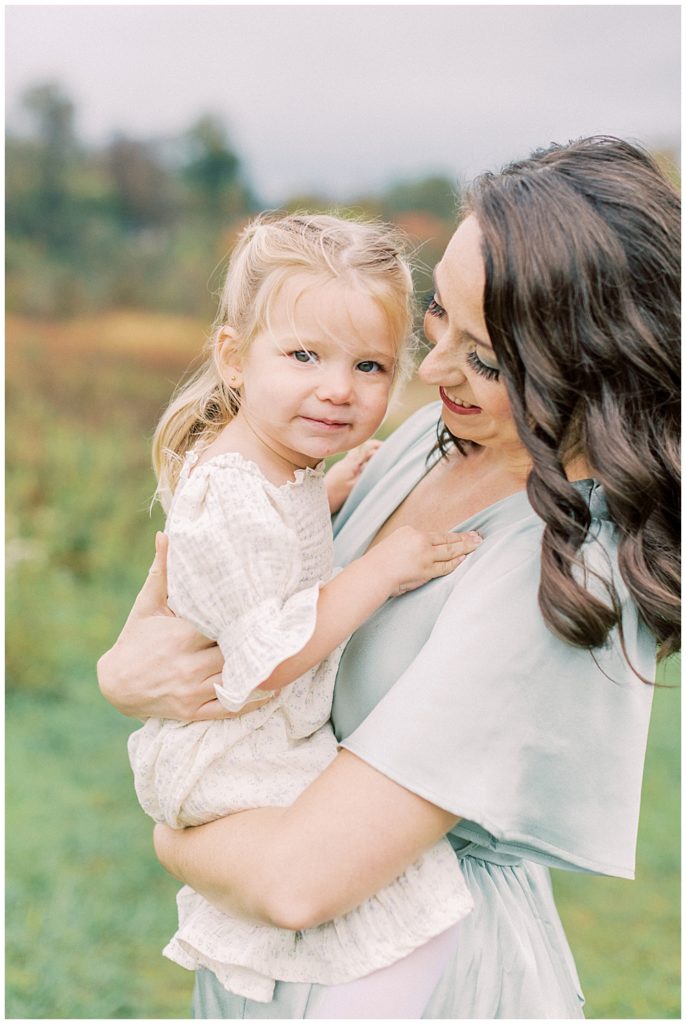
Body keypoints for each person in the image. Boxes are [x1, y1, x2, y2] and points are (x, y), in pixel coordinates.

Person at [98, 137, 680, 1019]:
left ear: (585, 363)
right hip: (294, 953)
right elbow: (224, 609)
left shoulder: (558, 565)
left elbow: (298, 882)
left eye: (486, 360)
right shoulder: (435, 440)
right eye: (437, 318)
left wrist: (173, 829)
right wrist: (125, 670)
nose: (434, 370)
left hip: (414, 970)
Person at [125, 212, 478, 1010]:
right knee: (391, 904)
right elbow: (269, 657)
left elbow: (273, 557)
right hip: (242, 749)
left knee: (375, 908)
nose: (338, 387)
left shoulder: (278, 472)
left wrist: (328, 492)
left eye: (369, 364)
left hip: (263, 740)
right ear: (233, 360)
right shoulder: (231, 493)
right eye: (304, 355)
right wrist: (383, 566)